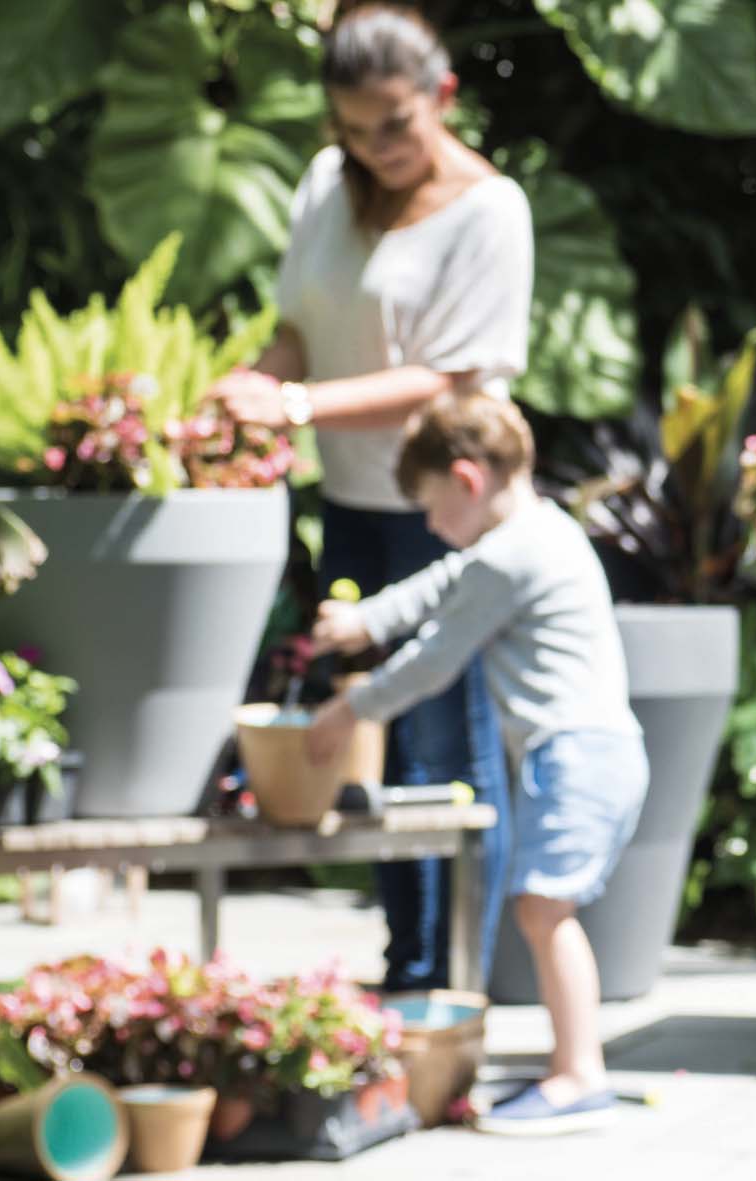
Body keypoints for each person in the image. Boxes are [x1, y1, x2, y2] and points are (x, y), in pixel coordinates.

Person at [211, 3, 531, 992]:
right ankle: (406, 963)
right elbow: (299, 330)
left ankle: (453, 985)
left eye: (393, 122)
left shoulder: (491, 211)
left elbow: (448, 379)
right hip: (350, 501)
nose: (374, 146)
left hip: (448, 515)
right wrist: (240, 394)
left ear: (441, 94)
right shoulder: (325, 185)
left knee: (442, 735)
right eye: (352, 128)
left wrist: (296, 403)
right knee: (364, 728)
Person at [307, 394, 646, 1135]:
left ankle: (580, 1073)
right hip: (585, 751)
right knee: (546, 910)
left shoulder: (513, 552)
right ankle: (573, 1061)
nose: (429, 526)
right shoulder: (534, 531)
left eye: (430, 508)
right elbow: (443, 586)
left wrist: (348, 712)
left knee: (543, 910)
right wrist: (365, 620)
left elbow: (435, 658)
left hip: (579, 753)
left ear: (466, 479)